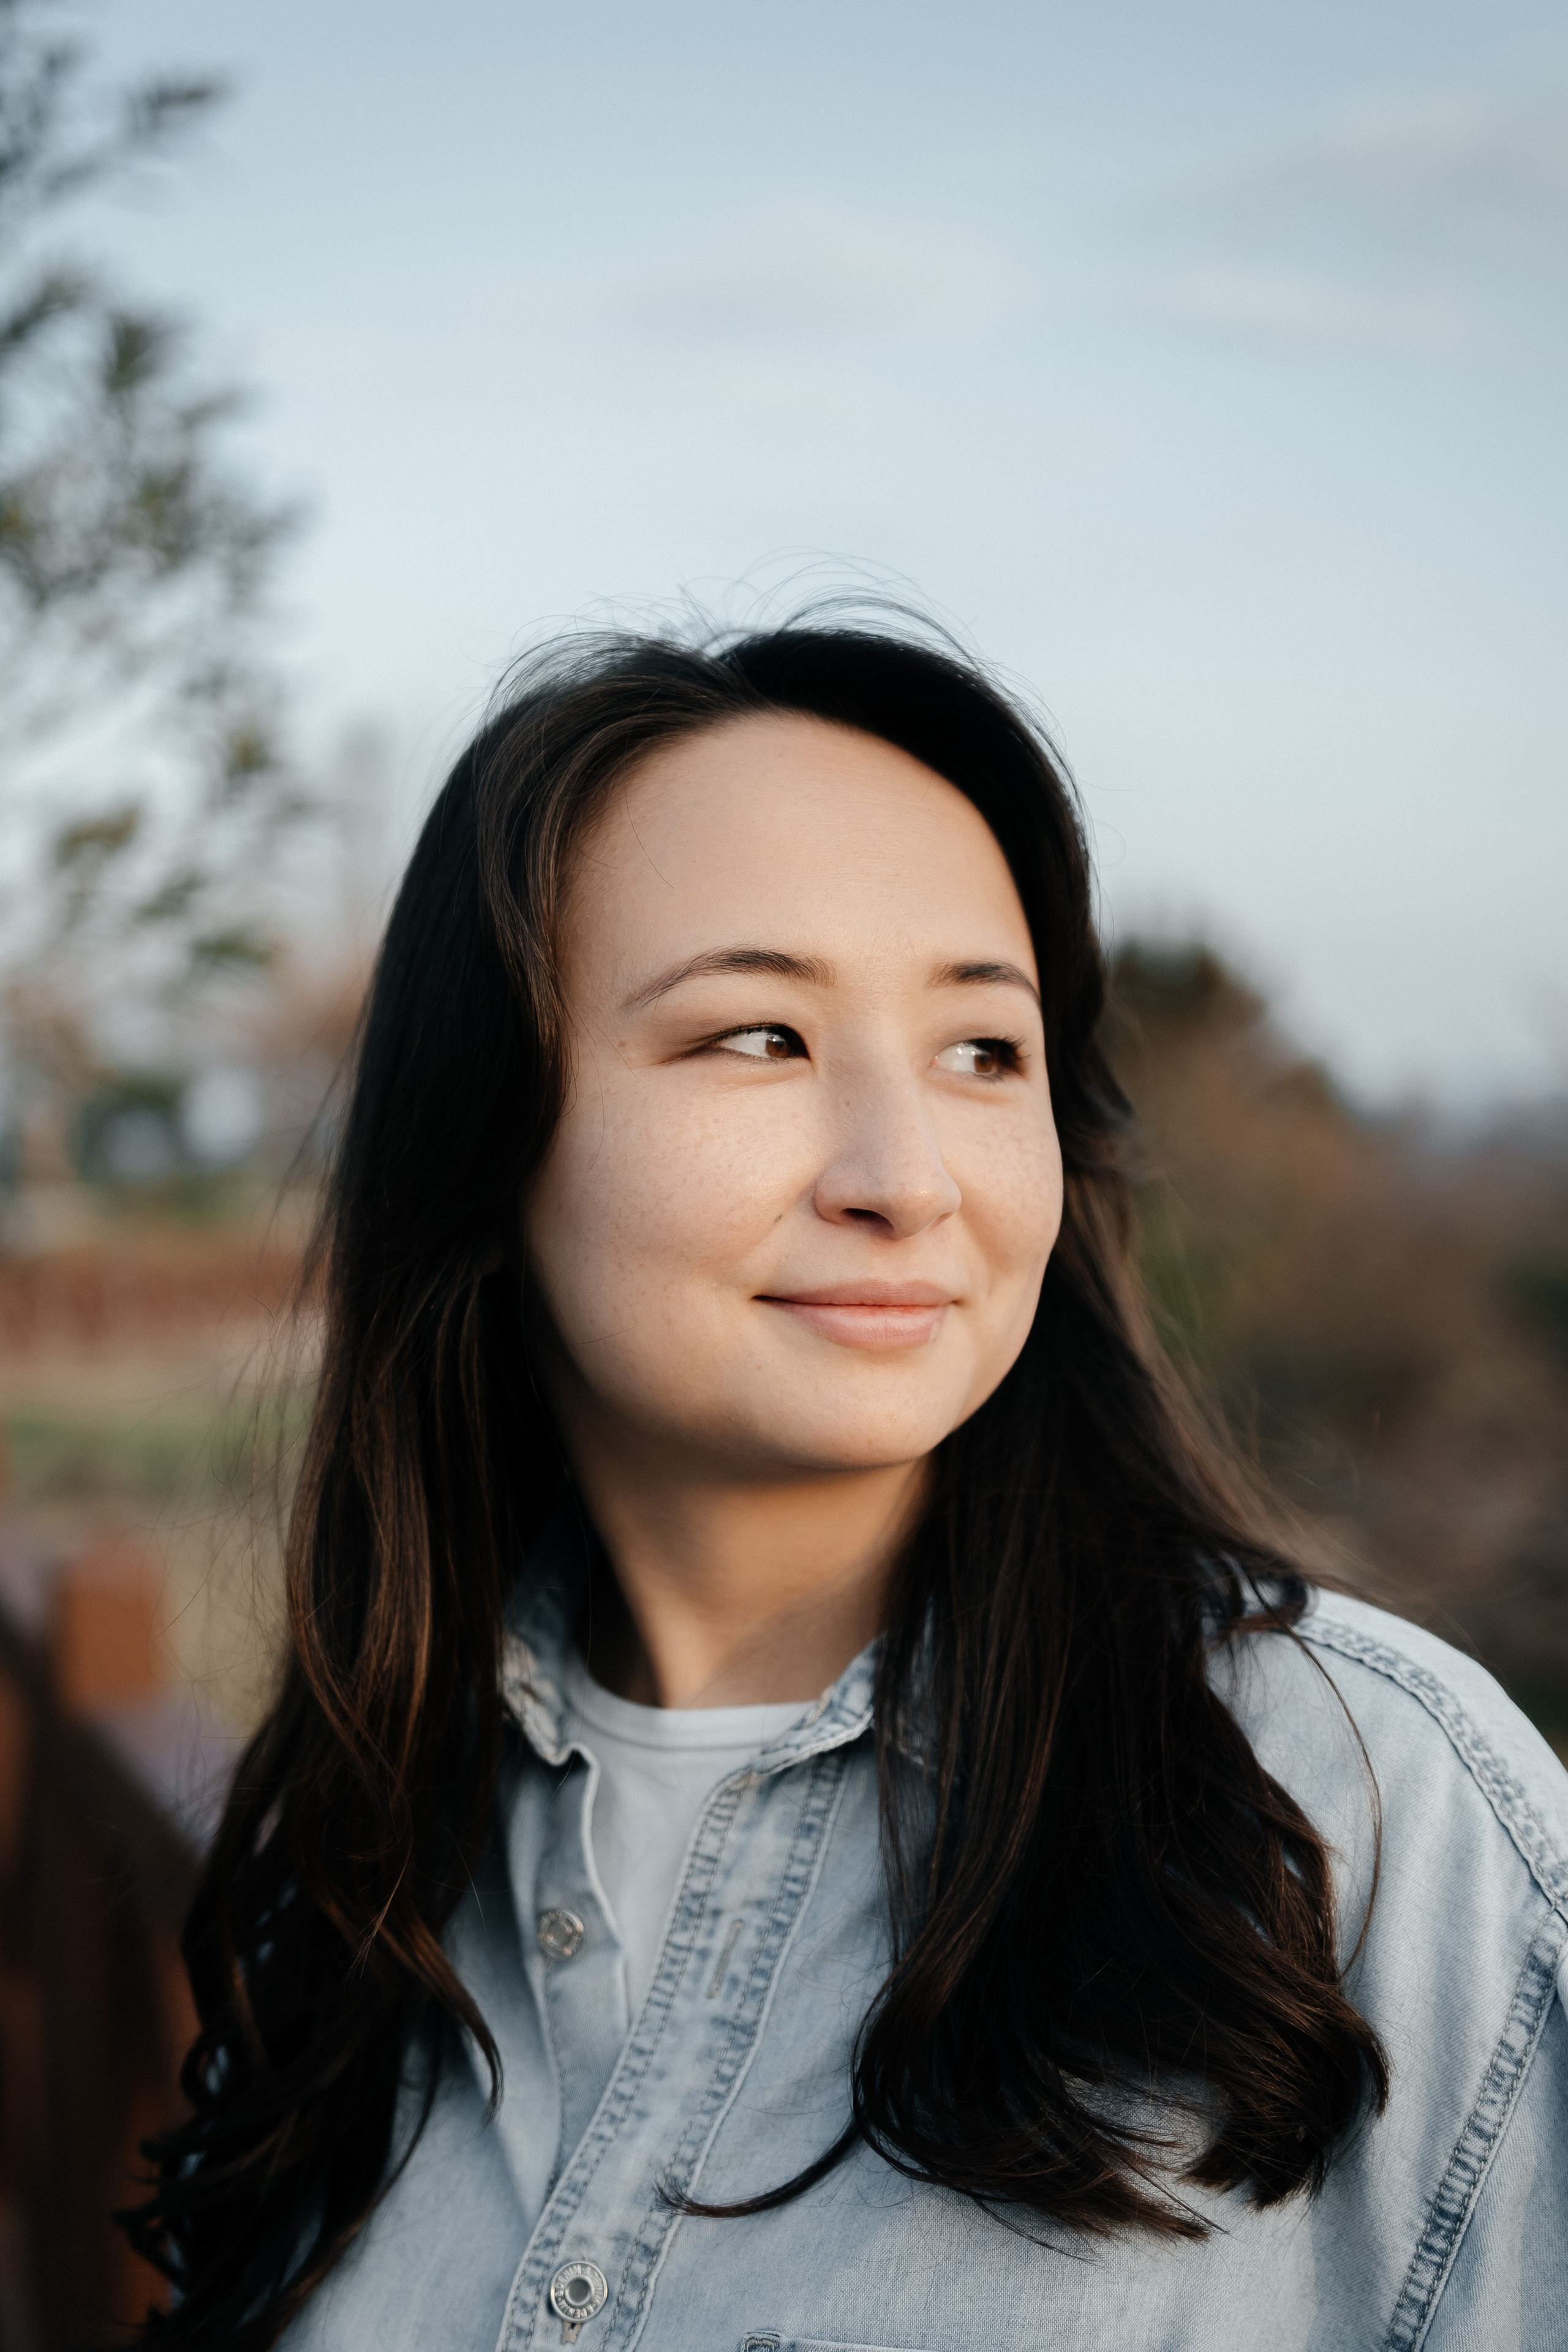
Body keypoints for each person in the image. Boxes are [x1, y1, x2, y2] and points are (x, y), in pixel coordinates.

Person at [130, 619, 1568, 2352]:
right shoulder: (375, 1865)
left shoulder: (1363, 1809)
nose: (909, 1180)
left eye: (985, 1051)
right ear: (487, 1134)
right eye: (759, 1037)